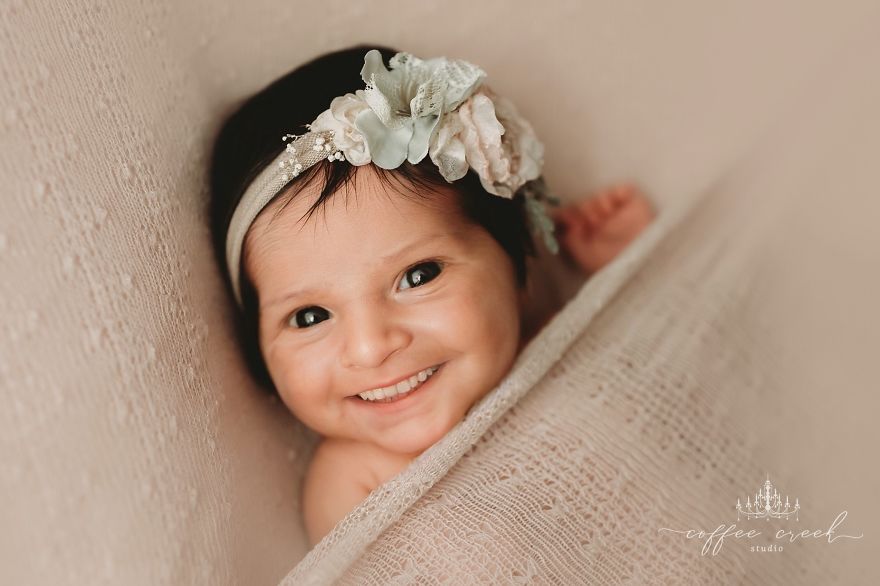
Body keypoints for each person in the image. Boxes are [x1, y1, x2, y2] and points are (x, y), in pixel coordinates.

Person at [209, 45, 654, 547]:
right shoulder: (357, 479)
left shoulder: (560, 343)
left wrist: (631, 271)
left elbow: (681, 392)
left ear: (517, 259)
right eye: (310, 316)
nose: (371, 347)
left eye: (418, 277)